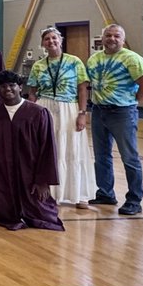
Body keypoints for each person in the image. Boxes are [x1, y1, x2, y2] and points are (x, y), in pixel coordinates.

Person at [86, 23, 143, 215]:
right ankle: (105, 193)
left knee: (129, 157)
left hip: (122, 113)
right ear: (102, 38)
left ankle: (134, 199)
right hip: (99, 112)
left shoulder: (132, 59)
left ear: (122, 40)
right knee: (101, 156)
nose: (112, 39)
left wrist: (133, 103)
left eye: (116, 36)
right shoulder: (94, 59)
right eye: (108, 35)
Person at [27, 27, 96, 210]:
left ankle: (79, 194)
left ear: (61, 40)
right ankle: (50, 194)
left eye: (54, 38)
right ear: (43, 43)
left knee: (73, 149)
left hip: (69, 108)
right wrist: (29, 115)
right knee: (47, 150)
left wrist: (82, 113)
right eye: (47, 39)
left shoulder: (75, 62)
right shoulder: (39, 65)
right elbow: (32, 93)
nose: (51, 41)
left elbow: (83, 89)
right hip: (44, 107)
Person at [0, 71, 64, 231]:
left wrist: (43, 181)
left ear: (20, 87)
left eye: (12, 85)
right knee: (3, 210)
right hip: (3, 172)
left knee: (39, 212)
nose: (7, 89)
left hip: (30, 171)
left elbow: (47, 148)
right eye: (3, 86)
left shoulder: (37, 113)